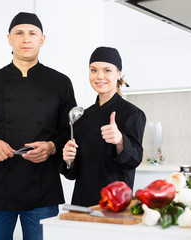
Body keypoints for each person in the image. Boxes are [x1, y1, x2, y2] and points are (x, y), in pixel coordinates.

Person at [0, 12, 76, 240]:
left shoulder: (60, 82)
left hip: (42, 189)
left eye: (32, 33)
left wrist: (52, 147)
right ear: (9, 39)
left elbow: (70, 131)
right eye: (19, 33)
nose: (26, 39)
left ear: (42, 40)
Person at [62, 46, 146, 207]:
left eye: (107, 70)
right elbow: (73, 174)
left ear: (118, 73)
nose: (99, 76)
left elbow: (135, 159)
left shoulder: (133, 114)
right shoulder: (81, 117)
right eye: (93, 70)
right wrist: (69, 160)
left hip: (116, 203)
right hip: (83, 203)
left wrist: (120, 140)